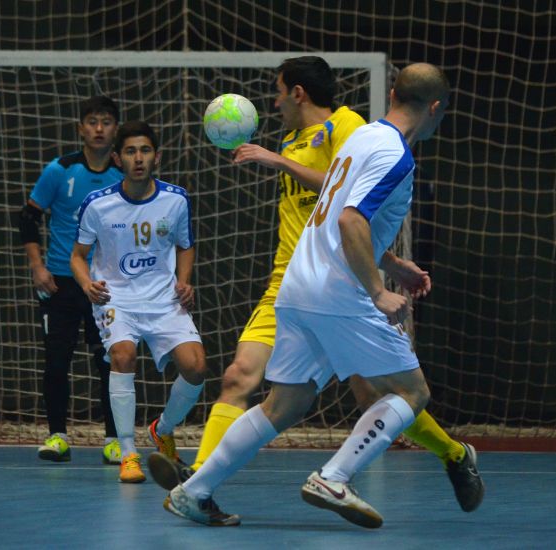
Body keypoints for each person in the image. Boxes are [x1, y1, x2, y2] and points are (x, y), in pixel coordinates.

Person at [150, 56, 483, 512]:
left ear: (391, 96)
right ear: (436, 108)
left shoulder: (360, 135)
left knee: (283, 405)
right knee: (411, 391)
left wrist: (394, 263)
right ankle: (334, 477)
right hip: (339, 289)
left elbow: (337, 212)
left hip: (298, 284)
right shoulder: (397, 156)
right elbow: (350, 221)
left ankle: (193, 491)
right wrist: (378, 290)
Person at [71, 120, 207, 483]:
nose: (139, 158)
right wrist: (86, 284)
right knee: (123, 356)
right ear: (118, 158)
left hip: (163, 299)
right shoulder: (98, 206)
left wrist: (184, 281)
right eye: (130, 151)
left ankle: (162, 429)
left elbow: (185, 245)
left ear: (156, 157)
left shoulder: (175, 199)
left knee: (196, 367)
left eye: (145, 150)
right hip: (118, 298)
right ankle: (128, 452)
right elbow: (77, 255)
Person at [18, 95, 123, 464]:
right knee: (57, 362)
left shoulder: (124, 173)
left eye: (106, 122)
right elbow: (27, 217)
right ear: (81, 128)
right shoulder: (59, 170)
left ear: (115, 129)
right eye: (92, 121)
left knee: (111, 363)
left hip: (105, 287)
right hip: (60, 283)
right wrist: (37, 267)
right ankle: (57, 436)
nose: (99, 128)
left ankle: (114, 440)